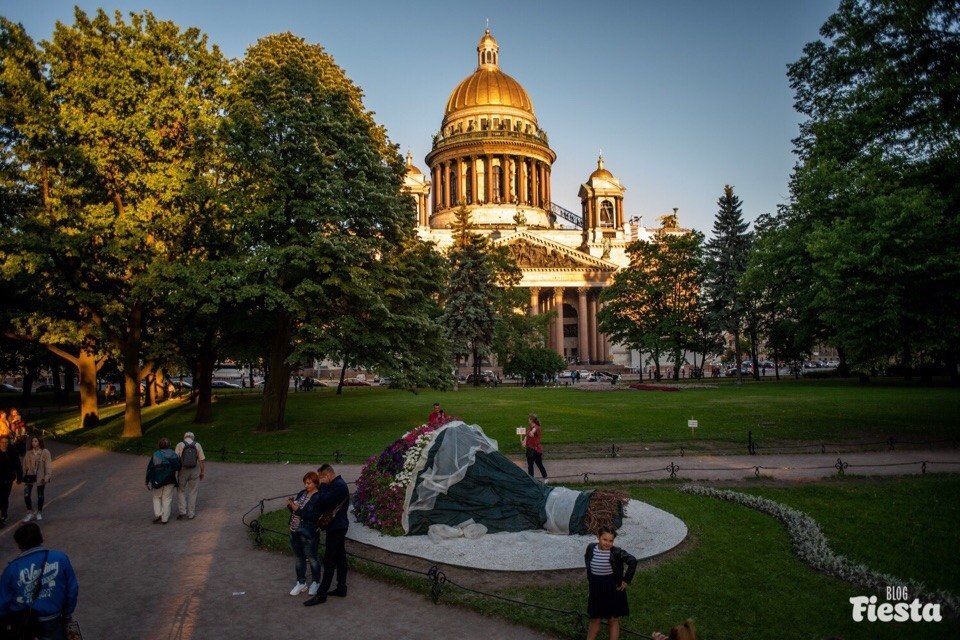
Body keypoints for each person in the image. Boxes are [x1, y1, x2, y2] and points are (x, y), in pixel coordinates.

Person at [0, 523, 78, 640]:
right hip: (54, 620)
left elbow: (2, 602)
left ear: (19, 544)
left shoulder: (12, 569)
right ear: (41, 537)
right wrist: (67, 614)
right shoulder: (60, 558)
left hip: (24, 624)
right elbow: (72, 589)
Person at [304, 463, 350, 606]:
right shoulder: (337, 485)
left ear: (328, 475)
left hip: (337, 527)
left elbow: (323, 501)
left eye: (322, 477)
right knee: (340, 557)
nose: (321, 480)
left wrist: (322, 486)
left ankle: (321, 594)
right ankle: (341, 588)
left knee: (329, 560)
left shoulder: (339, 486)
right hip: (337, 526)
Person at [584, 526, 638, 640]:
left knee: (613, 619)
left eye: (611, 540)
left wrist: (626, 580)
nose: (607, 543)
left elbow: (633, 561)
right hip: (596, 588)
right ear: (598, 537)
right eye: (605, 539)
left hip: (612, 588)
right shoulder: (591, 548)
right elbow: (587, 560)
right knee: (595, 618)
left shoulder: (616, 552)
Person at [286, 471, 323, 598]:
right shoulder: (302, 493)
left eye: (309, 483)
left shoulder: (318, 497)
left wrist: (297, 509)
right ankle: (301, 582)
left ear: (315, 483)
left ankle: (315, 581)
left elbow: (312, 516)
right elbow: (296, 509)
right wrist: (291, 506)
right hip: (295, 529)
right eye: (305, 483)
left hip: (308, 532)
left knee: (312, 557)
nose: (306, 485)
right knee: (299, 557)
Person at [145, 437, 180, 524]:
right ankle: (165, 519)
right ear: (169, 445)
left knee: (156, 497)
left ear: (159, 445)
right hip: (170, 479)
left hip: (157, 480)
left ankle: (159, 513)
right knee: (167, 499)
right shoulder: (173, 454)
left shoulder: (156, 454)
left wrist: (147, 481)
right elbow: (178, 466)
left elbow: (150, 468)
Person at [175, 431, 206, 520]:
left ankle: (182, 511)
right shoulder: (197, 445)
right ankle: (191, 513)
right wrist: (202, 471)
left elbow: (175, 459)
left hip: (182, 470)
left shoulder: (180, 445)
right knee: (193, 491)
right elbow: (201, 460)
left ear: (184, 437)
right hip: (194, 470)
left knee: (181, 490)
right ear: (193, 437)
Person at [22, 436, 52, 522]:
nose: (33, 443)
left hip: (40, 477)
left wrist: (47, 476)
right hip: (29, 476)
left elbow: (48, 465)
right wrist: (23, 475)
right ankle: (29, 512)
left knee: (40, 495)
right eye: (32, 441)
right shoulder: (28, 453)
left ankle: (39, 512)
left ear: (39, 442)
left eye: (35, 441)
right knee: (26, 495)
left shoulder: (45, 452)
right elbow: (24, 465)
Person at [0, 436, 22, 527]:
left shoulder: (12, 451)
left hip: (8, 479)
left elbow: (17, 464)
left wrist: (19, 476)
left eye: (6, 442)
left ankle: (4, 515)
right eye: (2, 442)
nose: (4, 444)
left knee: (4, 498)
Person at [522, 413, 547, 479]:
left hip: (536, 450)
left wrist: (532, 433)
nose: (528, 420)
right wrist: (524, 442)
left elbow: (533, 431)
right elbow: (527, 435)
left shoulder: (536, 427)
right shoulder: (530, 428)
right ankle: (531, 479)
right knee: (530, 466)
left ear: (531, 420)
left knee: (539, 464)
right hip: (530, 449)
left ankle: (545, 478)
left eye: (529, 419)